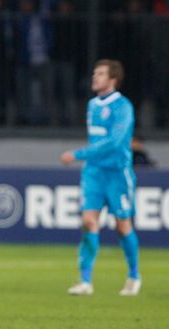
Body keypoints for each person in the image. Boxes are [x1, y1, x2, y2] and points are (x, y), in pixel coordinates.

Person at [61, 59, 140, 296]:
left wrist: (78, 154)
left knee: (122, 225)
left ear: (113, 79)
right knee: (88, 221)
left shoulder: (123, 106)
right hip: (93, 172)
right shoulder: (92, 105)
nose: (95, 77)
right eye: (95, 72)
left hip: (117, 173)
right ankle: (85, 281)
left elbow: (115, 142)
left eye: (101, 74)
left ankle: (134, 276)